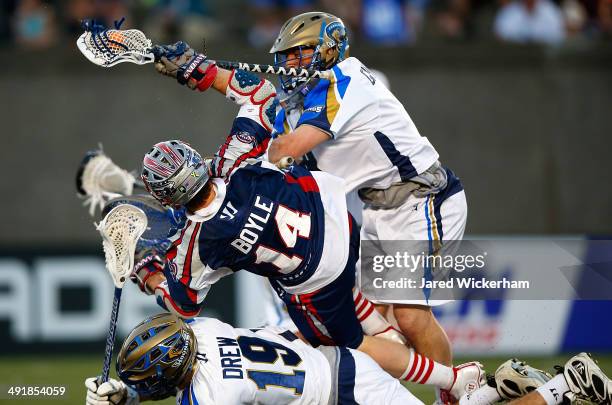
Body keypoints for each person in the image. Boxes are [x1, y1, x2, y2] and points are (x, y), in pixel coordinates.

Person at [101, 47, 484, 395]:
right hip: (336, 220)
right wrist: (203, 70)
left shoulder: (196, 245)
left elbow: (182, 307)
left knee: (348, 344)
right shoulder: (234, 161)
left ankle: (453, 379)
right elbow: (260, 95)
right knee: (353, 301)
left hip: (311, 275)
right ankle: (391, 338)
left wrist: (148, 271)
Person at [261, 11, 466, 396]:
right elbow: (265, 149)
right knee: (373, 318)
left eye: (299, 53)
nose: (290, 64)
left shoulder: (346, 79)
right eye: (286, 55)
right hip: (380, 209)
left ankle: (457, 396)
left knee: (409, 314)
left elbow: (285, 150)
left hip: (422, 197)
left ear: (328, 49)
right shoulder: (303, 96)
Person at [84, 313, 612, 405]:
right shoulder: (204, 328)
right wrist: (130, 391)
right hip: (341, 367)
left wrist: (130, 394)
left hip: (345, 391)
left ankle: (566, 387)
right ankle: (495, 389)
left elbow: (186, 388)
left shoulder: (213, 394)